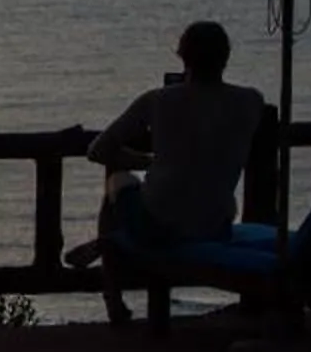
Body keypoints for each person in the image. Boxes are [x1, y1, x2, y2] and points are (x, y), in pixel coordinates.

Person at [82, 21, 268, 255]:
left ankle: (111, 257)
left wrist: (148, 162)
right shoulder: (251, 101)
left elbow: (97, 150)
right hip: (214, 226)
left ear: (183, 56)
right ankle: (110, 245)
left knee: (117, 180)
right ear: (226, 56)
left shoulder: (158, 100)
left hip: (158, 226)